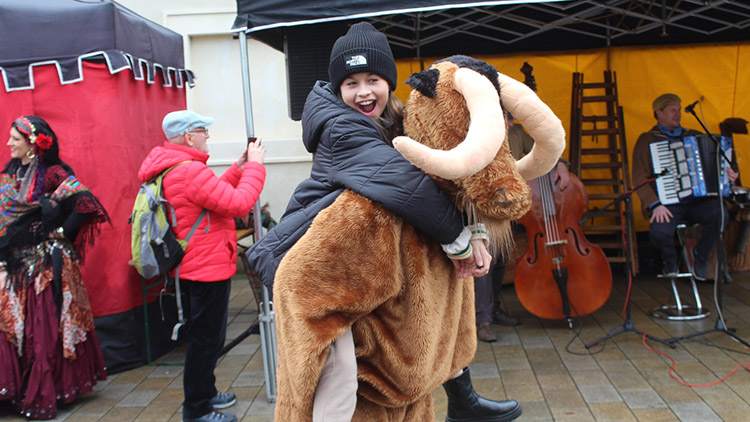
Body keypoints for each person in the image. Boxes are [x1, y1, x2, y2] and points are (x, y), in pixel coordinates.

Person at [248, 22, 521, 422]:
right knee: (337, 374)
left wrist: (476, 225)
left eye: (373, 79)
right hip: (321, 272)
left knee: (432, 317)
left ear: (388, 81)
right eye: (351, 83)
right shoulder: (339, 127)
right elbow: (405, 183)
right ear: (338, 89)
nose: (363, 92)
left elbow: (441, 173)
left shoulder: (398, 121)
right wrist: (460, 239)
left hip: (364, 261)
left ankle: (462, 394)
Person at [137, 111, 266, 422]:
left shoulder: (177, 167)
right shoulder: (190, 171)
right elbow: (237, 204)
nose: (207, 135)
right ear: (187, 136)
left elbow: (213, 197)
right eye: (202, 130)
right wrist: (256, 167)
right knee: (206, 341)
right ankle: (197, 410)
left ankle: (206, 393)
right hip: (206, 267)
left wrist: (237, 168)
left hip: (195, 265)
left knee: (205, 338)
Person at [0, 116, 109, 419]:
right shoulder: (11, 173)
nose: (9, 143)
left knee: (43, 328)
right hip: (16, 263)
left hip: (46, 265)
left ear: (33, 144)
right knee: (14, 326)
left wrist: (61, 232)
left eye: (15, 139)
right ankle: (17, 389)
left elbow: (86, 203)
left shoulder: (53, 173)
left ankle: (47, 389)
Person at [475, 113, 570, 342]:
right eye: (506, 118)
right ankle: (482, 320)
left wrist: (562, 166)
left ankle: (495, 309)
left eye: (512, 118)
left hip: (509, 205)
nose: (512, 123)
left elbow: (544, 150)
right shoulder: (481, 135)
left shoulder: (516, 132)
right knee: (485, 263)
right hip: (486, 204)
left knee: (500, 260)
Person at [632, 93, 738, 280]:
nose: (678, 113)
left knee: (720, 214)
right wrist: (655, 204)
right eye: (673, 109)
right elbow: (639, 178)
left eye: (679, 109)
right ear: (659, 112)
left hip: (699, 201)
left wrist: (729, 175)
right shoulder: (647, 140)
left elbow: (718, 167)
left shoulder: (695, 136)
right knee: (659, 231)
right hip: (667, 203)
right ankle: (670, 260)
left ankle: (700, 256)